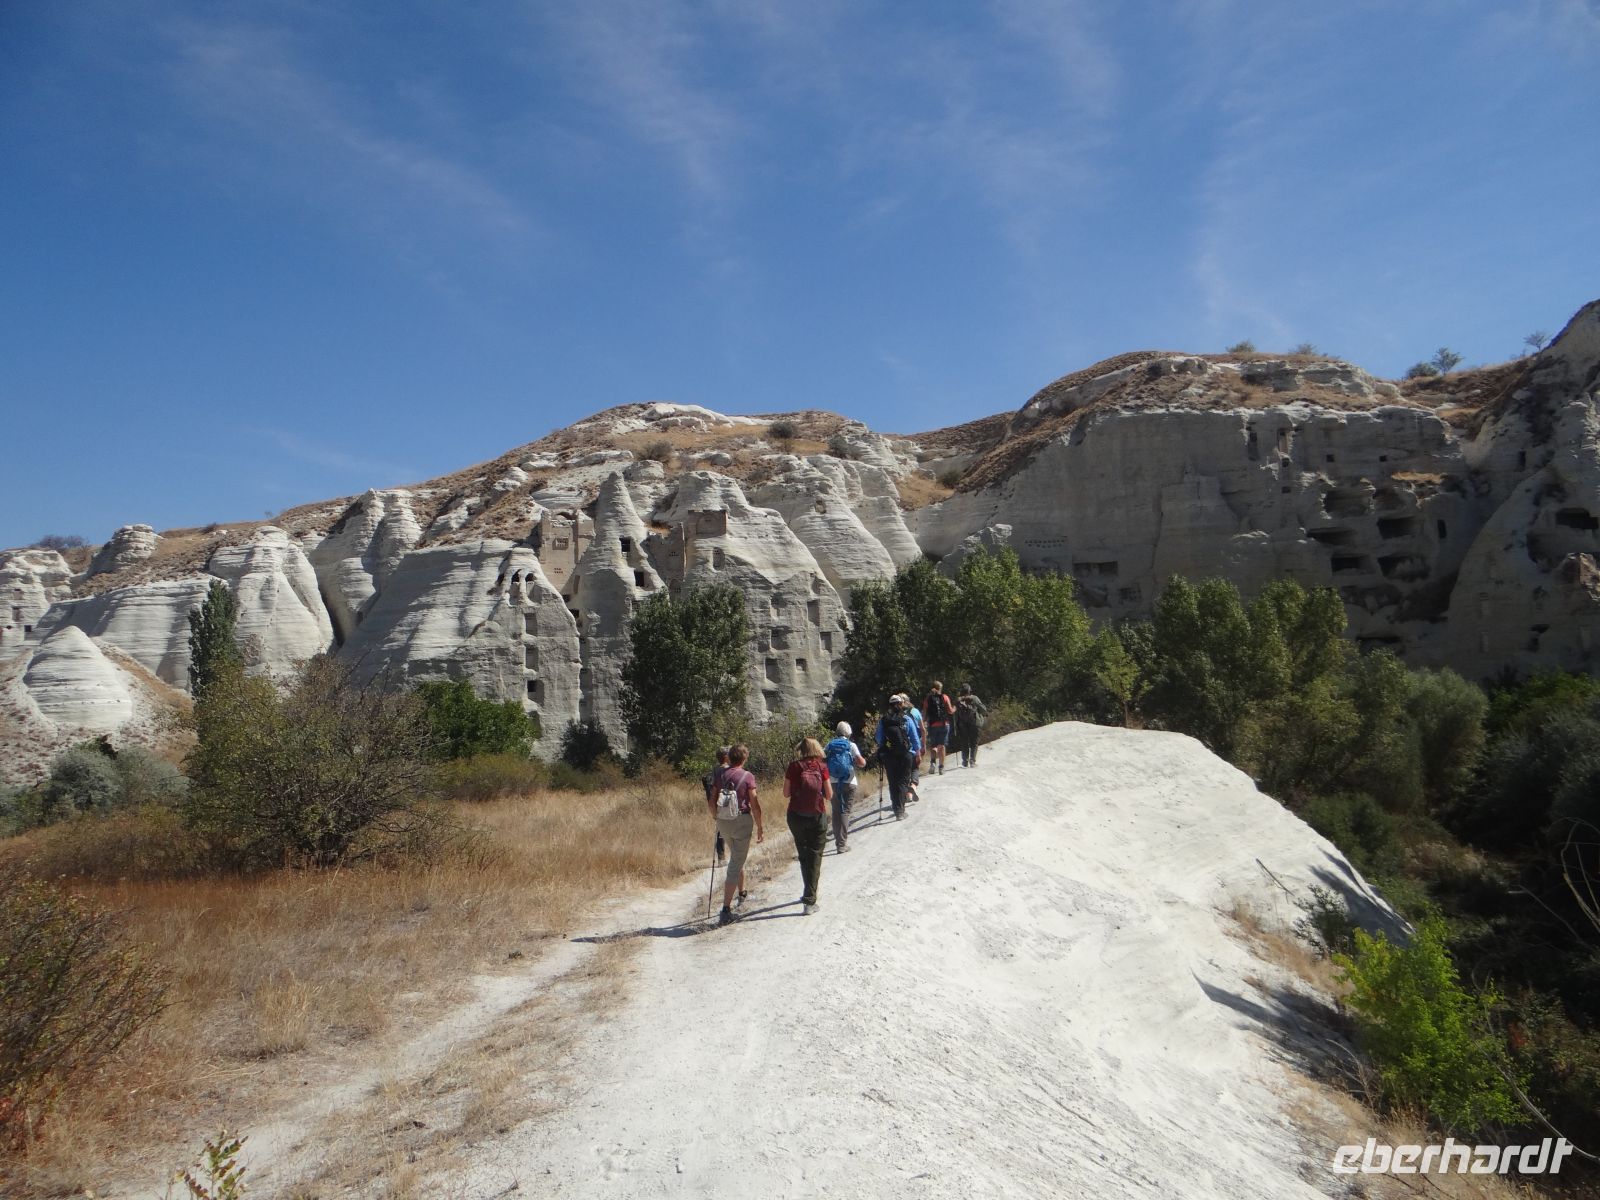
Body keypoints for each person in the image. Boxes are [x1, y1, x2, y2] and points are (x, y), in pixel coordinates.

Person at [708, 744, 763, 925]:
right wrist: (760, 826)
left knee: (736, 858)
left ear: (729, 757)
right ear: (744, 758)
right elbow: (755, 804)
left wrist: (716, 817)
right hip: (741, 821)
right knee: (735, 863)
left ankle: (742, 893)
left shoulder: (720, 775)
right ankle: (725, 910)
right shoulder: (748, 776)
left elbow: (712, 800)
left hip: (723, 822)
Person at [784, 737, 833, 915]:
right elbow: (829, 795)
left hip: (796, 816)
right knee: (815, 857)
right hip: (817, 816)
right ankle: (810, 901)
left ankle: (807, 892)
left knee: (804, 855)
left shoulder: (793, 766)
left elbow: (785, 793)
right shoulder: (822, 767)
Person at [875, 694, 921, 820]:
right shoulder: (906, 719)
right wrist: (917, 753)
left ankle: (896, 808)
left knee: (893, 782)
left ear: (890, 705)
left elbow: (878, 739)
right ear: (900, 704)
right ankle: (900, 811)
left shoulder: (884, 721)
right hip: (905, 755)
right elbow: (914, 738)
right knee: (903, 782)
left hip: (889, 755)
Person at [824, 721, 867, 854]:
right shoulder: (851, 745)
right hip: (849, 781)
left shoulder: (829, 745)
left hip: (832, 782)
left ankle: (839, 842)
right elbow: (861, 763)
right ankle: (841, 845)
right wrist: (860, 762)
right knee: (845, 812)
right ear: (848, 733)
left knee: (836, 812)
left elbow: (822, 760)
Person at [702, 745, 731, 865]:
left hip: (717, 804)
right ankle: (734, 855)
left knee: (720, 830)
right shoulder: (728, 769)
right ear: (725, 756)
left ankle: (721, 857)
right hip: (728, 802)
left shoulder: (714, 769)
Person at [922, 681, 955, 775]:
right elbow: (950, 711)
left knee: (933, 745)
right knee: (942, 746)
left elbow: (924, 715)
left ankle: (933, 763)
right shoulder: (945, 697)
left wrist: (923, 723)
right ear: (940, 688)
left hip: (932, 725)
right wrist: (954, 708)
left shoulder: (927, 699)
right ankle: (941, 767)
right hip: (944, 724)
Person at [953, 683, 987, 768]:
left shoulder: (958, 700)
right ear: (969, 691)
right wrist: (984, 714)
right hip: (974, 723)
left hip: (962, 724)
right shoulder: (974, 698)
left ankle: (965, 761)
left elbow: (955, 713)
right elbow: (983, 709)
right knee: (974, 742)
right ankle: (972, 761)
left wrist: (956, 725)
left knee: (964, 742)